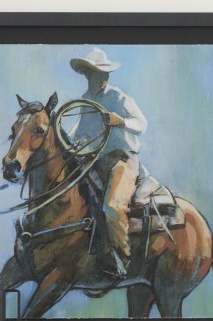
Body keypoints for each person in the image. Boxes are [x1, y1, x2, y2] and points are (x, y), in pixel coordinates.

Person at [68, 48, 147, 278]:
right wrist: (70, 142)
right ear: (87, 74)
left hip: (123, 160)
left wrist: (120, 120)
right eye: (97, 73)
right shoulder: (85, 101)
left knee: (112, 206)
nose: (103, 78)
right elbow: (80, 133)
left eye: (105, 73)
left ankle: (123, 258)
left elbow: (141, 124)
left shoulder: (118, 97)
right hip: (96, 161)